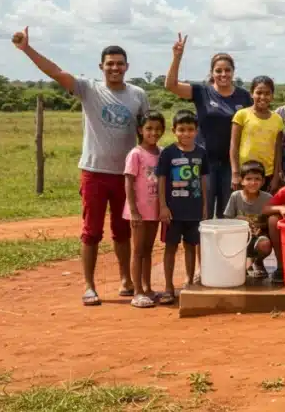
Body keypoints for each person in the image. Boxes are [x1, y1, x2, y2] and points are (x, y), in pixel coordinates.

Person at [12, 27, 149, 306]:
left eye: (119, 64)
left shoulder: (138, 95)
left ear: (127, 67)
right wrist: (27, 49)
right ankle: (89, 286)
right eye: (110, 64)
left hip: (125, 175)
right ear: (101, 67)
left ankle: (126, 280)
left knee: (123, 231)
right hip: (94, 172)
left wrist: (145, 170)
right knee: (91, 231)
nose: (115, 68)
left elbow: (145, 133)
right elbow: (55, 72)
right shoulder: (89, 89)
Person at [164, 34, 252, 219]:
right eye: (218, 70)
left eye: (227, 70)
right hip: (203, 161)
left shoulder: (244, 96)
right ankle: (201, 240)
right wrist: (177, 57)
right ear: (212, 72)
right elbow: (170, 85)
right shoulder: (202, 91)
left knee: (228, 214)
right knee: (203, 210)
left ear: (233, 72)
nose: (223, 74)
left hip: (231, 164)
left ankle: (225, 240)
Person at [156, 109, 209, 305]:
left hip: (194, 209)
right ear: (174, 130)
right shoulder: (168, 153)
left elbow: (203, 181)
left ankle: (189, 282)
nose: (186, 133)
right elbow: (161, 180)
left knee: (191, 246)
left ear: (196, 130)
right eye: (181, 129)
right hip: (172, 211)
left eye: (190, 129)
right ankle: (169, 287)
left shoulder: (201, 152)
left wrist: (205, 205)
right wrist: (163, 206)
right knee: (170, 247)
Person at [123, 111, 165, 308]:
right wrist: (133, 210)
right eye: (149, 128)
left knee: (148, 249)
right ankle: (137, 291)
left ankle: (148, 288)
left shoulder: (162, 153)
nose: (153, 132)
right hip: (139, 210)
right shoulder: (136, 154)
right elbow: (128, 182)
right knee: (138, 250)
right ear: (140, 130)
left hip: (154, 210)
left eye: (157, 129)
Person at [231, 76, 285, 192]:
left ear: (272, 96)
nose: (263, 97)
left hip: (267, 174)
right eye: (259, 93)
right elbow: (234, 146)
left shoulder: (277, 119)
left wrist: (276, 176)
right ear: (251, 94)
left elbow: (278, 150)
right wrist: (235, 173)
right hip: (245, 173)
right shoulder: (242, 115)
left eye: (267, 93)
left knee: (265, 203)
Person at [224, 161, 273, 280]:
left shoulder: (267, 198)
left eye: (257, 179)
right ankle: (239, 265)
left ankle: (258, 262)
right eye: (249, 179)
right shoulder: (235, 196)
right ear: (241, 181)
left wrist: (259, 226)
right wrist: (239, 220)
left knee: (265, 244)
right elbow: (227, 220)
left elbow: (270, 222)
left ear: (263, 181)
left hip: (258, 238)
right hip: (238, 239)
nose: (253, 182)